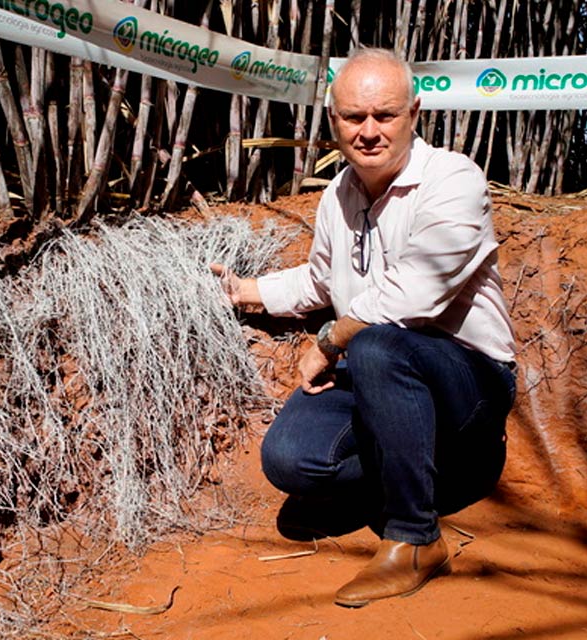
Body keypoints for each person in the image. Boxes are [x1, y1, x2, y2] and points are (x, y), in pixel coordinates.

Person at [210, 47, 517, 607]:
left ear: (414, 114)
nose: (369, 131)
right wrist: (251, 292)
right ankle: (417, 467)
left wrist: (330, 340)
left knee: (377, 344)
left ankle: (415, 536)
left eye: (385, 115)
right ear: (334, 121)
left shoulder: (453, 179)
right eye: (354, 117)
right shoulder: (338, 194)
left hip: (467, 383)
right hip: (379, 376)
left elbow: (415, 293)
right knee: (292, 459)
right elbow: (327, 280)